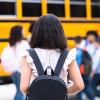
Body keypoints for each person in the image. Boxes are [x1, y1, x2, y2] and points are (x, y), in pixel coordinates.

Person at [20, 14, 84, 95]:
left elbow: (24, 87)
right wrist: (62, 92)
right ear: (60, 32)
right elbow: (79, 85)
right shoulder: (68, 55)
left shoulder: (28, 55)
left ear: (36, 32)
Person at [1, 26, 30, 100]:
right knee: (21, 92)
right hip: (21, 71)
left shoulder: (11, 44)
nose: (24, 32)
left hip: (14, 71)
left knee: (19, 91)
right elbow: (27, 57)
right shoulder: (23, 44)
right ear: (19, 33)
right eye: (22, 31)